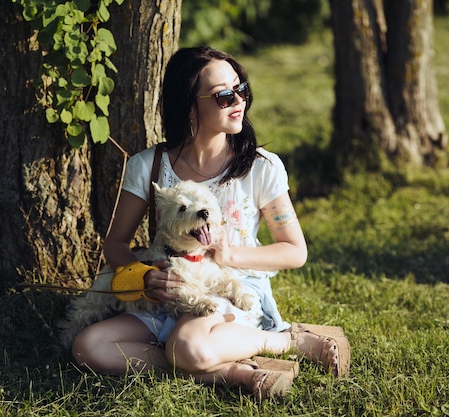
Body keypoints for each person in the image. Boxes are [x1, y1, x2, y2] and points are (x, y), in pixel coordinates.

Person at [71, 46, 350, 399]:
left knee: (187, 346)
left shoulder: (260, 167)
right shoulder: (149, 166)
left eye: (241, 89)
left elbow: (295, 252)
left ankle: (290, 341)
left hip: (228, 292)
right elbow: (115, 245)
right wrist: (144, 276)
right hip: (166, 294)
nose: (239, 100)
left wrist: (228, 255)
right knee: (88, 346)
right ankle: (228, 369)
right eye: (223, 95)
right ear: (190, 106)